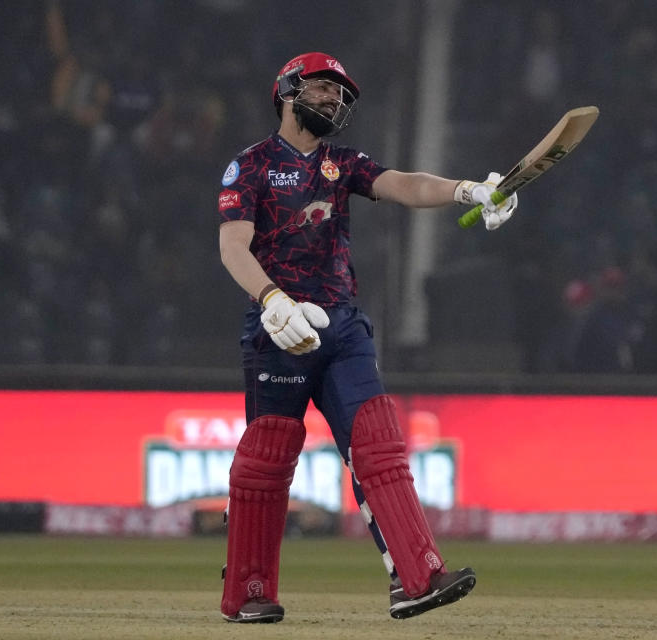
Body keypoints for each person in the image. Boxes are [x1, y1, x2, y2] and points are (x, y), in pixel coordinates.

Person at [216, 52, 517, 623]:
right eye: (323, 87)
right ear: (287, 90)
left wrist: (467, 190)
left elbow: (403, 184)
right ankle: (248, 592)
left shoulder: (342, 162)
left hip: (343, 325)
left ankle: (418, 577)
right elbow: (233, 245)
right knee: (267, 460)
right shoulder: (249, 166)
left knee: (378, 442)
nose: (333, 99)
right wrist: (272, 300)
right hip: (279, 327)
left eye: (339, 92)